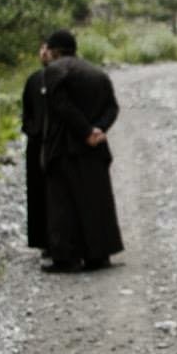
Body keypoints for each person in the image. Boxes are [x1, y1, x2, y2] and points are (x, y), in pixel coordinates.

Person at [40, 29, 124, 273]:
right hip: (96, 147)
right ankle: (98, 254)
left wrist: (85, 131)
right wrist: (99, 129)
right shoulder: (97, 73)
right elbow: (112, 107)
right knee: (96, 200)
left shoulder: (55, 71)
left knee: (63, 203)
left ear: (55, 50)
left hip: (66, 147)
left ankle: (65, 257)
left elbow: (62, 106)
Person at [21, 39, 52, 257]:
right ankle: (43, 241)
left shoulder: (68, 78)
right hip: (37, 142)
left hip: (58, 144)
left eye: (47, 49)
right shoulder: (33, 80)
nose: (42, 53)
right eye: (40, 48)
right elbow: (27, 111)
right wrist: (32, 131)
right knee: (39, 193)